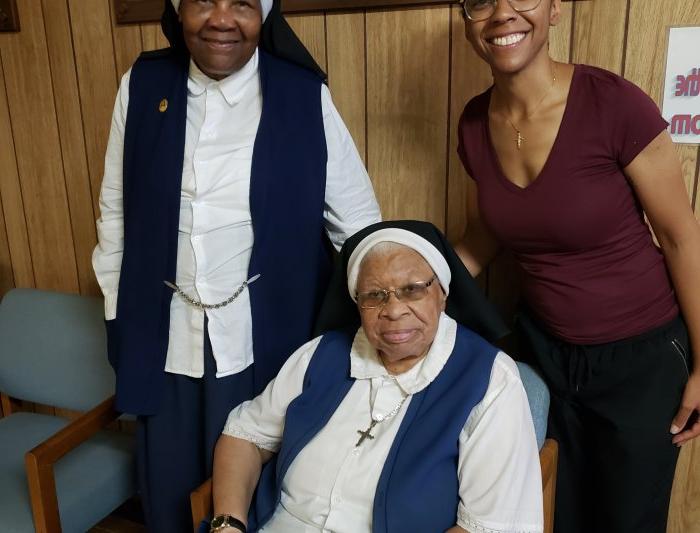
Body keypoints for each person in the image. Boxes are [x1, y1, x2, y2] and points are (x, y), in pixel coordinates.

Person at [91, 0, 380, 530]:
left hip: (264, 340)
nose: (222, 19)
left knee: (257, 495)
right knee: (171, 497)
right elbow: (115, 212)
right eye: (204, 0)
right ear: (179, 10)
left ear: (264, 15)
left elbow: (358, 224)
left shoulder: (302, 95)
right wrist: (121, 313)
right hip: (164, 336)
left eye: (243, 4)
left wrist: (377, 324)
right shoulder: (143, 84)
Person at [455, 1, 700, 532]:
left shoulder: (613, 104)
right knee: (550, 512)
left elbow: (681, 237)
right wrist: (416, 280)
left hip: (642, 359)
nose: (502, 13)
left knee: (626, 521)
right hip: (544, 355)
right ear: (465, 18)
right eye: (480, 0)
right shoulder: (474, 121)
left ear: (555, 8)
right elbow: (487, 232)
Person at [210, 220, 543, 533]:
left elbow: (488, 526)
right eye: (374, 295)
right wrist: (228, 524)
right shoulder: (320, 354)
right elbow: (245, 437)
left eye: (412, 290)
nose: (394, 310)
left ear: (442, 292)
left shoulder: (489, 380)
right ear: (357, 303)